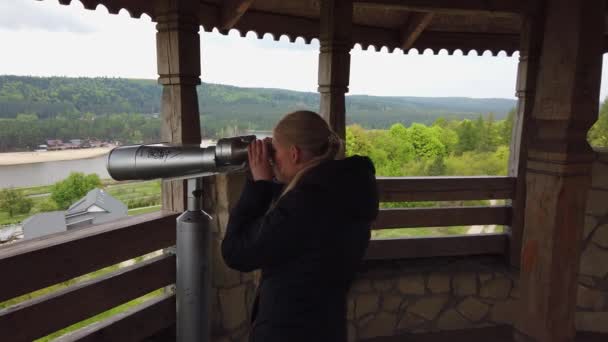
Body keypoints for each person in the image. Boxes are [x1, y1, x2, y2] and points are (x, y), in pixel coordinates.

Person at [221, 110, 379, 342]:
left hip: (288, 329)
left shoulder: (308, 202)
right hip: (326, 326)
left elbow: (236, 252)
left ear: (294, 154)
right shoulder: (345, 188)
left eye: (275, 150)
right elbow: (289, 220)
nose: (273, 158)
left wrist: (259, 185)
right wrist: (269, 178)